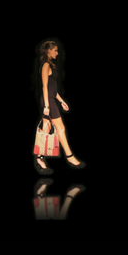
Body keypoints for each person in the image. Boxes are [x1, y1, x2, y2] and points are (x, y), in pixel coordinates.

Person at [33, 39, 86, 175]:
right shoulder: (45, 65)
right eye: (55, 50)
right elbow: (44, 87)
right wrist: (46, 106)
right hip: (48, 101)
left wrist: (62, 101)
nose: (57, 53)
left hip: (52, 100)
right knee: (60, 128)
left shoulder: (51, 65)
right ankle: (70, 157)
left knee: (46, 129)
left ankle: (39, 159)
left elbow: (53, 89)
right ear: (49, 50)